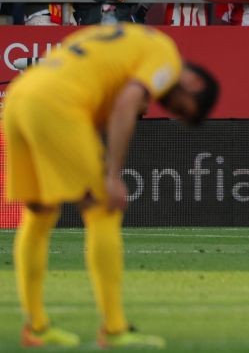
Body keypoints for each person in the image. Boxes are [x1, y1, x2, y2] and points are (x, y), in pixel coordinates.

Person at [3, 24, 218, 349]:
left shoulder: (128, 39)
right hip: (58, 103)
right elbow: (129, 99)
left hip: (20, 98)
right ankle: (115, 330)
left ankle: (36, 327)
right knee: (104, 209)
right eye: (179, 108)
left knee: (39, 213)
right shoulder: (167, 56)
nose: (167, 108)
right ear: (193, 82)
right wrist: (113, 174)